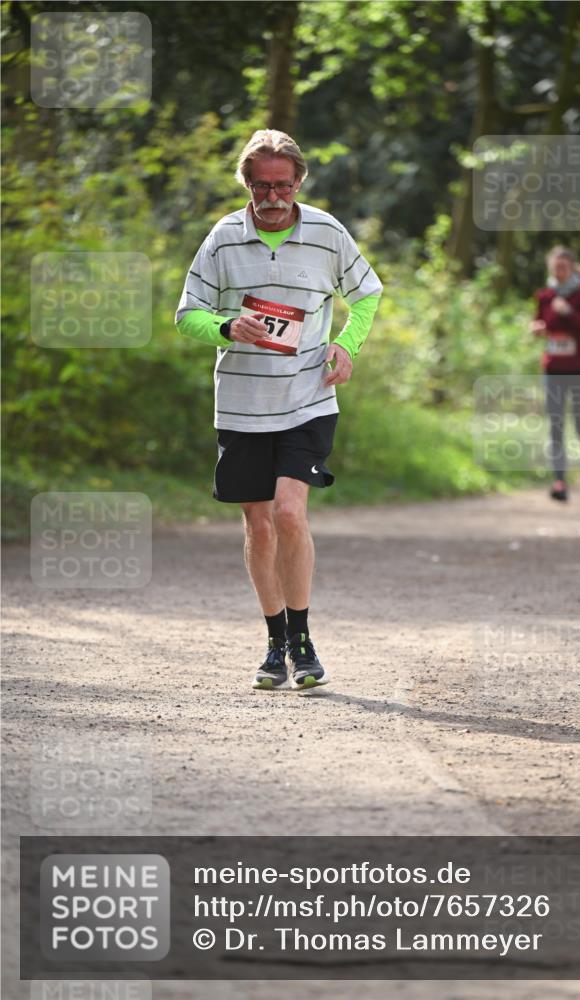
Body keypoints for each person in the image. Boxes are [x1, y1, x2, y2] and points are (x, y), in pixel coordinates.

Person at [175, 129, 382, 690]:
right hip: (242, 404)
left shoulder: (326, 233)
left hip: (307, 397)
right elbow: (187, 314)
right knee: (259, 524)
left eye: (283, 186)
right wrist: (225, 326)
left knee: (290, 512)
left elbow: (367, 293)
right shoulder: (223, 239)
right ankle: (275, 643)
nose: (273, 197)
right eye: (261, 186)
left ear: (299, 182)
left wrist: (347, 344)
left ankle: (303, 641)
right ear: (246, 183)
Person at [531, 246, 580, 502]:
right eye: (555, 268)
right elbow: (542, 322)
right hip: (553, 369)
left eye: (563, 267)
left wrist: (570, 314)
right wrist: (537, 328)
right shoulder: (545, 296)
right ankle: (560, 482)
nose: (558, 272)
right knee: (556, 424)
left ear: (572, 268)